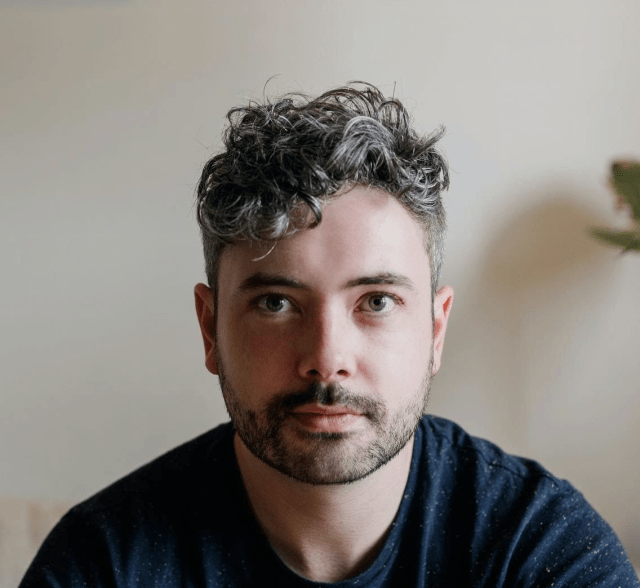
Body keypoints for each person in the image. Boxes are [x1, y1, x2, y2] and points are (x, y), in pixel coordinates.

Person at [20, 83, 639, 587]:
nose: (326, 359)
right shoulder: (101, 564)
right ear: (210, 328)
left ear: (435, 329)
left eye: (376, 301)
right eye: (276, 303)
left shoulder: (541, 549)